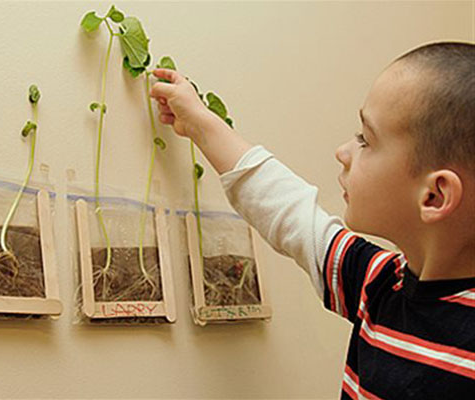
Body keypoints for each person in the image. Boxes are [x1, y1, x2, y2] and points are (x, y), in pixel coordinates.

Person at [150, 42, 475, 399]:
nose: (344, 152)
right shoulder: (379, 283)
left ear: (434, 196)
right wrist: (199, 122)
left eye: (366, 140)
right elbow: (291, 213)